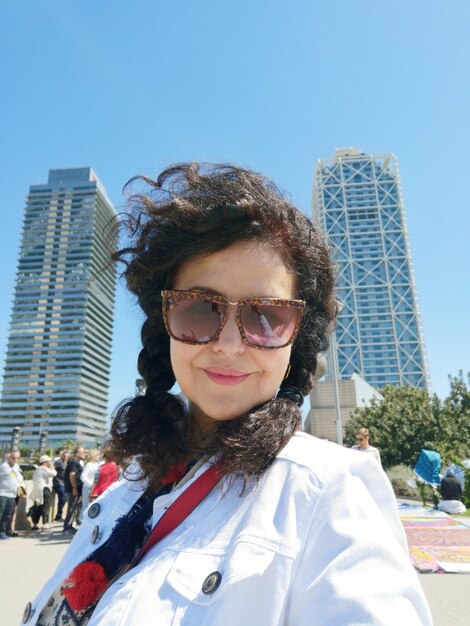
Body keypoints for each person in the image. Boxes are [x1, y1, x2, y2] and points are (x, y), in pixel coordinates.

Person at [26, 163, 431, 625]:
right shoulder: (134, 478)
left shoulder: (328, 494)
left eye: (266, 316)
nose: (229, 344)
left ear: (297, 336)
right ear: (165, 324)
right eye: (200, 308)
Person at [0, 450, 24, 540]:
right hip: (2, 493)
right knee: (1, 514)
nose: (15, 459)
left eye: (17, 458)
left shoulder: (17, 467)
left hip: (12, 494)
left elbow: (19, 478)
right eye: (13, 457)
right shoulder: (3, 467)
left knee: (7, 515)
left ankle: (2, 532)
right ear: (9, 457)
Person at [30, 455, 57, 531]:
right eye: (49, 461)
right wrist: (52, 466)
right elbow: (54, 474)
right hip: (44, 489)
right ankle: (45, 524)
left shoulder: (37, 469)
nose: (50, 463)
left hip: (37, 490)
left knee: (37, 507)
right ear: (45, 462)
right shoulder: (44, 469)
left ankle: (35, 523)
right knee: (46, 506)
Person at [62, 446, 85, 533]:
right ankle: (67, 526)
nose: (84, 454)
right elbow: (72, 475)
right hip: (72, 489)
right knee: (71, 507)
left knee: (74, 508)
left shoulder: (76, 462)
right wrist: (74, 488)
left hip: (75, 488)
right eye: (82, 452)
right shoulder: (73, 462)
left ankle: (70, 525)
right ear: (77, 453)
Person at [78, 449, 100, 523]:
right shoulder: (89, 464)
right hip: (88, 488)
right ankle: (82, 521)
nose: (99, 456)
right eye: (97, 455)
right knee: (86, 505)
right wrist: (91, 485)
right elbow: (83, 476)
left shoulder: (97, 464)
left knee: (92, 505)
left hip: (94, 488)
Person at [52, 450, 69, 521]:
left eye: (67, 456)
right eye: (64, 456)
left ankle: (59, 515)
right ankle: (58, 516)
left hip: (65, 483)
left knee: (64, 499)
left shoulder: (67, 463)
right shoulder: (58, 462)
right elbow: (52, 467)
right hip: (59, 483)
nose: (65, 457)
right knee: (62, 498)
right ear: (61, 456)